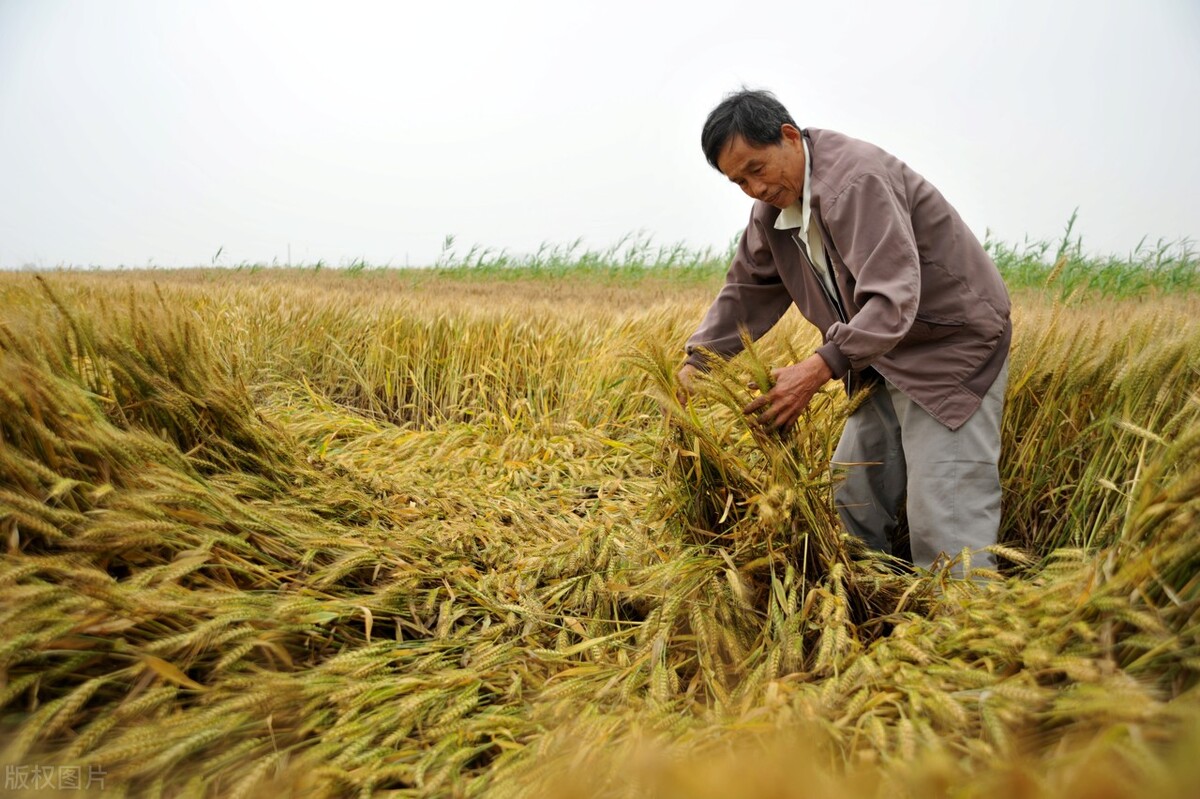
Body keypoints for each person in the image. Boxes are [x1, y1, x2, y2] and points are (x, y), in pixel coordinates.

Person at [678, 89, 1011, 575]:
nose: (754, 188)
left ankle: (965, 635)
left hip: (947, 347)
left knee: (945, 511)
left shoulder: (855, 181)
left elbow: (893, 299)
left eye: (757, 168)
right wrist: (697, 361)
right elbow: (748, 288)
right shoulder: (773, 212)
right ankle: (864, 610)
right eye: (738, 181)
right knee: (853, 493)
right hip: (880, 353)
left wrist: (818, 368)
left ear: (789, 137)